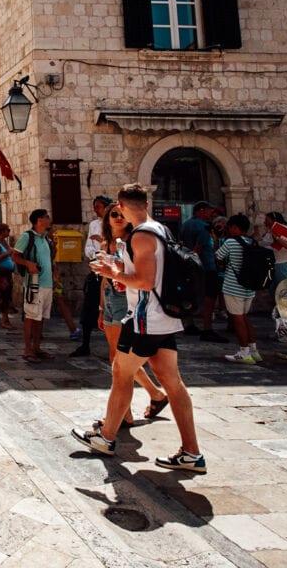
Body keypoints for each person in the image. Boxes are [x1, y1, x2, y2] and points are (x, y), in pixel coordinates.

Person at [72, 183, 206, 474]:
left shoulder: (142, 236)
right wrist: (121, 276)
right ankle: (191, 453)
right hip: (162, 319)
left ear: (120, 205)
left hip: (144, 320)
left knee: (121, 373)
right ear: (147, 202)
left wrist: (112, 272)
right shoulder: (160, 229)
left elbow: (145, 282)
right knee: (172, 383)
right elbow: (148, 278)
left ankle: (106, 437)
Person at [97, 202, 168, 424]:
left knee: (120, 359)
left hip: (125, 298)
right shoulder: (106, 243)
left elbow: (139, 274)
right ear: (107, 219)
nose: (118, 218)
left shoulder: (132, 242)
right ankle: (153, 396)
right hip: (110, 298)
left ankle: (123, 416)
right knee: (114, 356)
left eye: (121, 214)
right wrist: (101, 308)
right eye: (113, 215)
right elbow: (104, 280)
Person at [215, 214, 262, 365]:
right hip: (249, 287)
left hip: (233, 285)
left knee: (237, 320)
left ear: (235, 227)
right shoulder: (252, 242)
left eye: (230, 227)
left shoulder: (231, 242)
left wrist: (216, 240)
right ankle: (254, 351)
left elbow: (218, 256)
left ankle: (244, 352)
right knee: (245, 318)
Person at [178, 201, 228, 343]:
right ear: (200, 211)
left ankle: (189, 324)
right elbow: (199, 248)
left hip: (188, 265)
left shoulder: (186, 225)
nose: (210, 214)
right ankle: (207, 329)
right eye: (208, 211)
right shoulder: (204, 227)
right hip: (205, 266)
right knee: (209, 298)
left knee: (189, 295)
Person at [13, 209, 55, 363]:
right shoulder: (27, 236)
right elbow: (15, 255)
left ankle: (36, 347)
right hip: (34, 283)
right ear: (39, 220)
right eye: (46, 217)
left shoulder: (45, 238)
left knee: (41, 317)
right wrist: (28, 264)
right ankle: (27, 349)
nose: (49, 219)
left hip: (47, 283)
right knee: (31, 316)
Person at [75, 195, 113, 357]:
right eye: (94, 206)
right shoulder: (94, 225)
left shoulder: (114, 223)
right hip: (96, 270)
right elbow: (89, 248)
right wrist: (98, 252)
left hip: (112, 271)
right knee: (89, 308)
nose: (95, 209)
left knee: (112, 309)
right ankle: (85, 344)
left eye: (98, 206)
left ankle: (114, 346)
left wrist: (103, 242)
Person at [260, 212, 287, 288]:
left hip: (282, 264)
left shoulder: (286, 231)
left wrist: (276, 237)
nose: (264, 222)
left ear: (274, 220)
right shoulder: (267, 232)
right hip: (270, 266)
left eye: (267, 220)